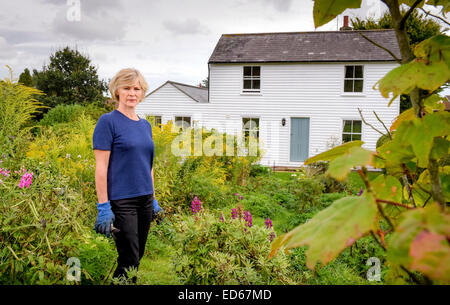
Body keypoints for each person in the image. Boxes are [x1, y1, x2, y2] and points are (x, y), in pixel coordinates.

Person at [92, 68, 155, 283]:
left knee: (137, 257)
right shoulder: (107, 122)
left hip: (145, 199)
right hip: (122, 201)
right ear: (116, 90)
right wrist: (103, 206)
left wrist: (153, 199)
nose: (132, 93)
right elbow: (101, 167)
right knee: (128, 259)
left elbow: (149, 166)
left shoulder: (145, 125)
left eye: (136, 89)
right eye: (126, 88)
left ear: (142, 92)